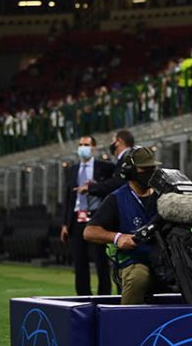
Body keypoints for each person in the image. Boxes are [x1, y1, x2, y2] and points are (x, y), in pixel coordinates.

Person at [83, 147, 160, 305]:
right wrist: (117, 237)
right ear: (130, 172)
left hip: (162, 257)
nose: (150, 173)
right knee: (138, 276)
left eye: (152, 169)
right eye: (144, 169)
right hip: (132, 260)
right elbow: (89, 232)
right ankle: (126, 323)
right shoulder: (116, 199)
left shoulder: (164, 196)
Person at [61, 135, 115, 296]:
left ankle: (104, 296)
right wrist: (65, 224)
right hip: (78, 217)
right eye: (80, 144)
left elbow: (111, 187)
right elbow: (68, 197)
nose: (83, 147)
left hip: (98, 217)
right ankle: (83, 296)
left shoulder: (105, 167)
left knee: (101, 260)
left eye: (86, 144)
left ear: (94, 148)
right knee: (80, 261)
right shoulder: (72, 169)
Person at [88, 129, 134, 199]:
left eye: (112, 141)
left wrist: (93, 187)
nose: (111, 144)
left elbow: (117, 183)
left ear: (119, 141)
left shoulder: (126, 158)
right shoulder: (130, 155)